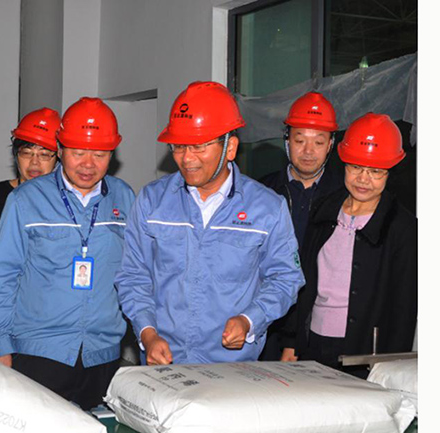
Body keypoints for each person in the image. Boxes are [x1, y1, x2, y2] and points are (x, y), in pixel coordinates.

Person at [114, 81, 305, 366]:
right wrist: (147, 333)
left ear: (230, 148)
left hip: (232, 368)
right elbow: (133, 276)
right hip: (163, 365)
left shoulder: (267, 208)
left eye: (198, 146)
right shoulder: (152, 202)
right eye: (179, 146)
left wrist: (250, 320)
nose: (186, 158)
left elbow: (285, 278)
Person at [0, 97, 136, 409]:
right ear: (61, 149)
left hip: (103, 356)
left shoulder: (124, 197)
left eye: (99, 154)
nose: (88, 164)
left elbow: (134, 273)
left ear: (112, 154)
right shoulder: (26, 200)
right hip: (38, 355)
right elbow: (1, 277)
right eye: (78, 153)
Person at [282, 113, 417, 374]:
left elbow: (404, 307)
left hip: (365, 352)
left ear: (389, 172)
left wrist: (392, 368)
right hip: (313, 343)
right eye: (355, 167)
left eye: (375, 171)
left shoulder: (402, 227)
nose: (363, 179)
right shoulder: (324, 210)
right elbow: (304, 280)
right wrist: (293, 341)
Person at [258, 91, 344, 361]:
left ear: (330, 144)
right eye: (299, 140)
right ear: (286, 140)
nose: (308, 151)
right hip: (264, 323)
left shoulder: (344, 196)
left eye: (318, 142)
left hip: (319, 326)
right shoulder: (262, 192)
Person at [0, 108, 61, 294]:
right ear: (16, 155)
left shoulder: (65, 204)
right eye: (27, 153)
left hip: (46, 302)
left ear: (57, 159)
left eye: (44, 154)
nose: (34, 162)